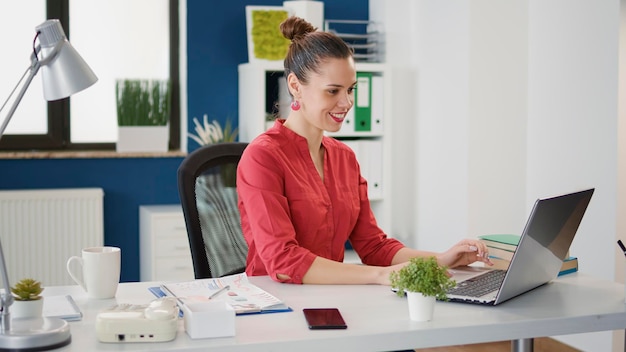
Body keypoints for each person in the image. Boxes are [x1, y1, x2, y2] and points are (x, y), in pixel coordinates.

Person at [236, 16, 492, 285]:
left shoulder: (344, 158)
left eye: (350, 89)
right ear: (295, 86)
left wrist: (441, 258)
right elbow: (284, 264)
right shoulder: (262, 157)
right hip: (277, 304)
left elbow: (374, 246)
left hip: (331, 298)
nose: (346, 102)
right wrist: (381, 276)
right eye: (333, 91)